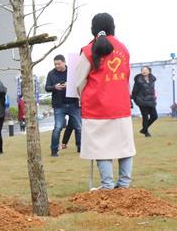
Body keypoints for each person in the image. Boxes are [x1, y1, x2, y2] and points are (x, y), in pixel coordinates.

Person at [75, 13, 135, 189]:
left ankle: (107, 185)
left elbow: (79, 81)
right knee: (125, 146)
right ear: (113, 27)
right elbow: (126, 76)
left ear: (93, 29)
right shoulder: (122, 48)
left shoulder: (87, 50)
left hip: (96, 107)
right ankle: (124, 184)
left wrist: (83, 97)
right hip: (120, 104)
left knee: (101, 147)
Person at [45, 54, 81, 156]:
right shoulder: (51, 74)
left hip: (73, 103)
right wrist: (54, 87)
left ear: (64, 62)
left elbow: (79, 83)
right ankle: (54, 150)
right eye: (55, 64)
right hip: (58, 105)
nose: (57, 66)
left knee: (78, 127)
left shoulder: (72, 72)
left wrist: (68, 85)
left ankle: (80, 148)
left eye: (59, 64)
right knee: (58, 127)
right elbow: (47, 88)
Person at [131, 66, 158, 137]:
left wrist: (154, 96)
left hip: (151, 100)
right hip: (142, 101)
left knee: (154, 116)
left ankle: (143, 129)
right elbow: (134, 91)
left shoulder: (152, 79)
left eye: (146, 70)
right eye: (142, 70)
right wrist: (134, 99)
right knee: (145, 116)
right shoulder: (138, 80)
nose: (144, 71)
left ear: (149, 71)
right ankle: (146, 132)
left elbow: (152, 89)